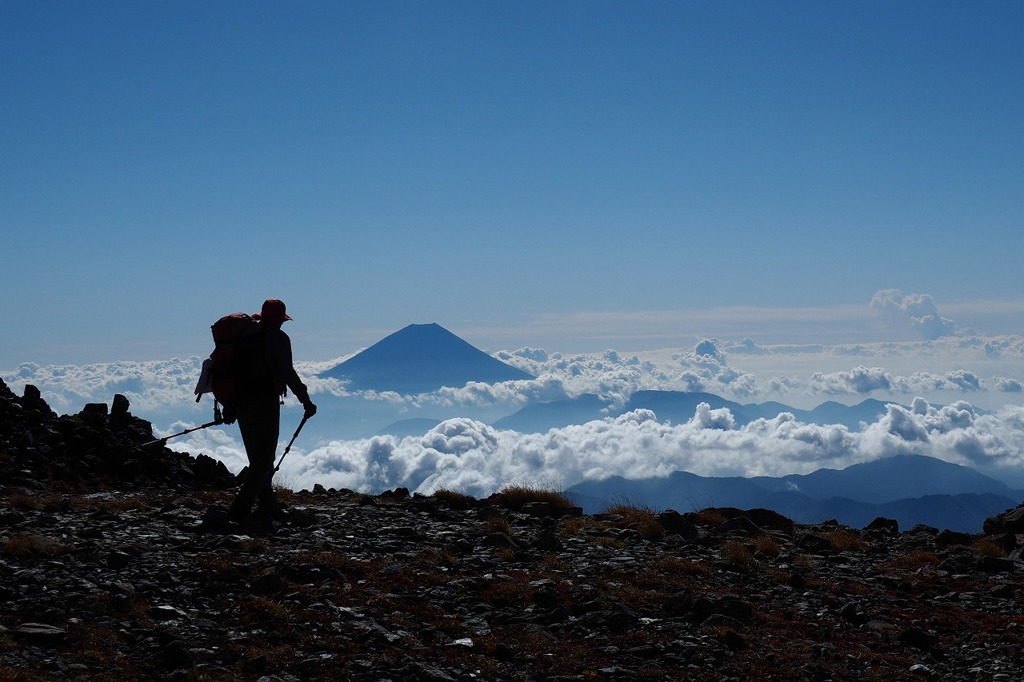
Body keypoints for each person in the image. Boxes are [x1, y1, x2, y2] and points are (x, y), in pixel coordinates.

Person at [226, 298, 317, 524]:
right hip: (265, 402)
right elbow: (288, 373)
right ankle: (240, 510)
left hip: (241, 403)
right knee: (264, 459)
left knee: (258, 456)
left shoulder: (244, 337)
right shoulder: (279, 339)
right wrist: (306, 401)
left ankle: (267, 505)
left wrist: (230, 405)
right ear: (280, 320)